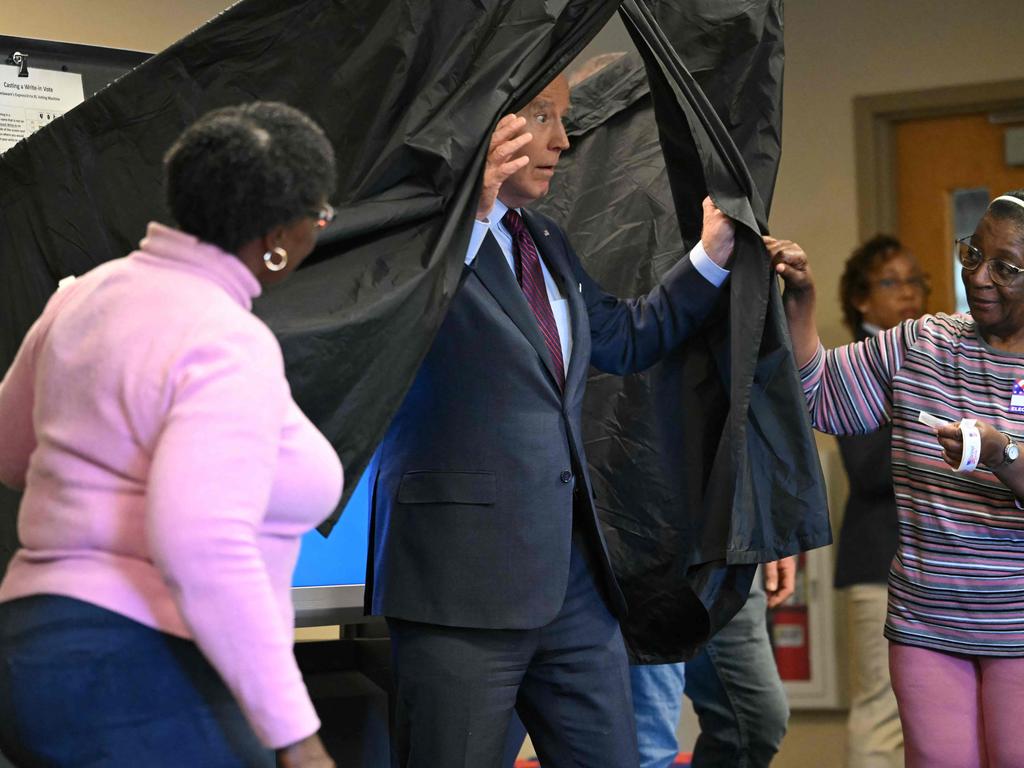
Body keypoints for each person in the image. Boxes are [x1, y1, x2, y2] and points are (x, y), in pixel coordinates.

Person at [366, 74, 737, 767]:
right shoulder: (411, 235)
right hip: (459, 588)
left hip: (571, 586)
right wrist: (468, 217)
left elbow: (624, 337)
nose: (563, 141)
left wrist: (711, 259)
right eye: (542, 116)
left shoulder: (543, 238)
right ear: (488, 123)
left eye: (563, 119)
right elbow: (387, 328)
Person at [0, 102, 343, 768]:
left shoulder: (86, 294)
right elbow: (202, 542)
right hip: (137, 666)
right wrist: (298, 740)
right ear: (280, 236)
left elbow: (10, 453)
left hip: (28, 649)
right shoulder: (225, 338)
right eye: (319, 218)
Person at [768, 191, 1024, 768]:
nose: (979, 277)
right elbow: (819, 393)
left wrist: (1002, 452)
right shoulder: (923, 342)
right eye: (973, 254)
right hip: (927, 617)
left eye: (1005, 268)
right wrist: (801, 300)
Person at [834, 235, 928, 768]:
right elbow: (869, 470)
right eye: (891, 282)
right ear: (862, 299)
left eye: (914, 280)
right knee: (882, 714)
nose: (908, 294)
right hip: (880, 562)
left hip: (940, 566)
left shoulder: (932, 352)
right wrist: (943, 432)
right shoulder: (857, 362)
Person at [628, 559, 795, 768]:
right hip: (648, 551)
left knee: (754, 724)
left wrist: (776, 532)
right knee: (649, 747)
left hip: (731, 551)